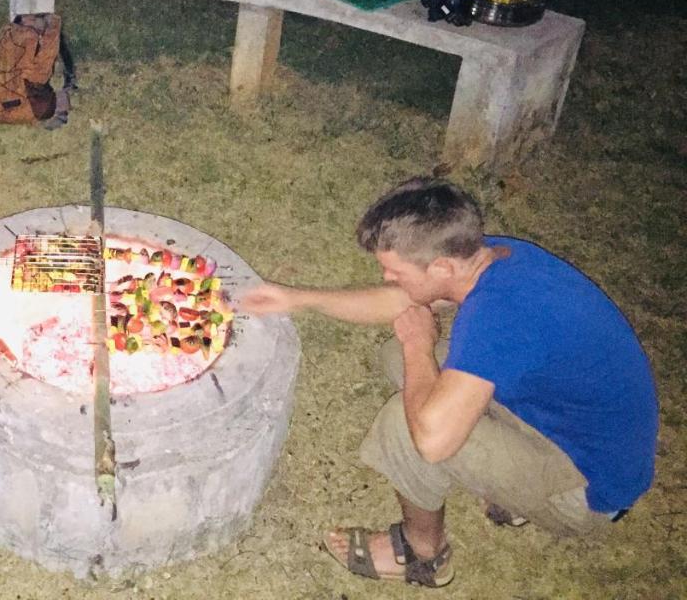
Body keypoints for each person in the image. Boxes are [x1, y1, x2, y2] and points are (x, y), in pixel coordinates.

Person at [241, 177, 658, 589]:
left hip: (588, 488)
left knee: (407, 425)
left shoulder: (498, 319)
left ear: (441, 267)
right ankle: (514, 493)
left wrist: (419, 346)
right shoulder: (491, 258)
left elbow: (432, 441)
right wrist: (298, 299)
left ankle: (423, 553)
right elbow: (406, 300)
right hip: (567, 426)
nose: (387, 278)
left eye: (394, 270)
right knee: (399, 362)